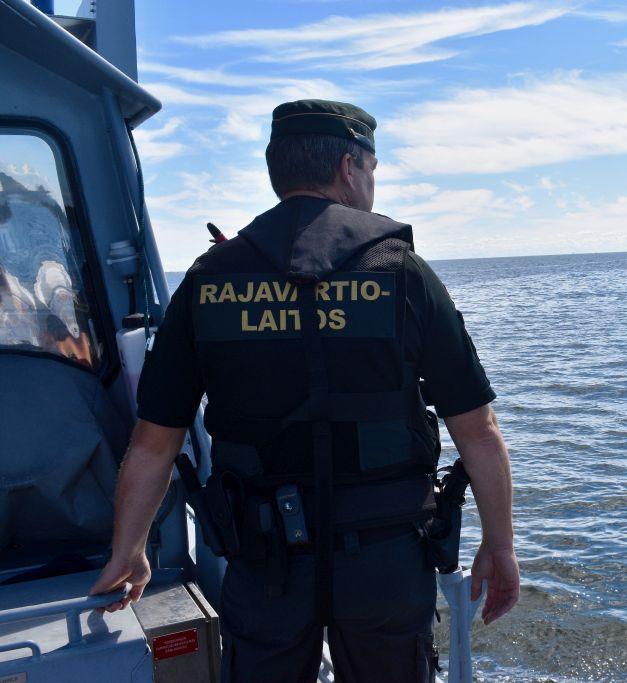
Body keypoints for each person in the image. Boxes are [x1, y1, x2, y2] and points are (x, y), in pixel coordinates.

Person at [90, 99, 520, 682]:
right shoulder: (403, 273)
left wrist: (128, 549)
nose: (371, 184)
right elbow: (478, 430)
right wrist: (500, 545)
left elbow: (153, 443)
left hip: (264, 560)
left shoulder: (208, 281)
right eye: (372, 169)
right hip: (385, 560)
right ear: (349, 168)